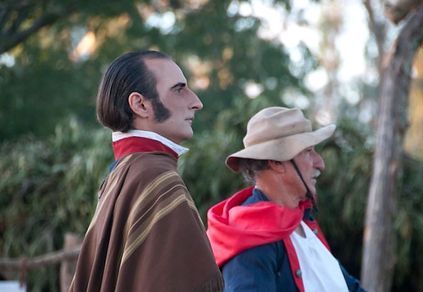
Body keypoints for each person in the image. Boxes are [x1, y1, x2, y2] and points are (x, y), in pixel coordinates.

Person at [70, 50, 223, 292]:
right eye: (179, 89)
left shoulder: (125, 173)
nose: (196, 102)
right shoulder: (158, 179)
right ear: (140, 104)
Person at [206, 107, 365, 292]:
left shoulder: (301, 220)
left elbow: (346, 286)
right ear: (276, 162)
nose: (320, 163)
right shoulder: (250, 235)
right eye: (308, 151)